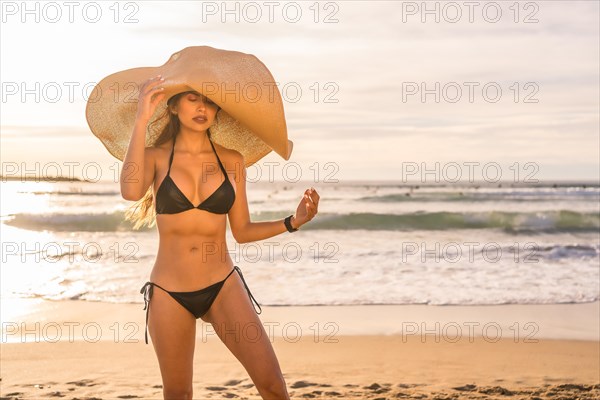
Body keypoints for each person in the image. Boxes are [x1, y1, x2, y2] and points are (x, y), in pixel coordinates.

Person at [120, 76, 319, 400]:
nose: (202, 107)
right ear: (172, 106)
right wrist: (142, 117)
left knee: (273, 386)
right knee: (179, 394)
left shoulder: (232, 161)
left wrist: (292, 222)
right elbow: (130, 191)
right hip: (170, 292)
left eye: (210, 101)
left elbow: (242, 231)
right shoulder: (156, 157)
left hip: (223, 285)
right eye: (192, 99)